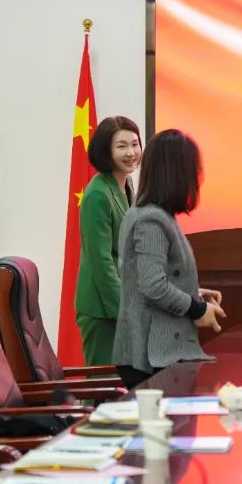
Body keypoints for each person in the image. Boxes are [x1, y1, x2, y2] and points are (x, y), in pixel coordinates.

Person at [112, 130, 225, 389]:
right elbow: (153, 285)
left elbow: (152, 277)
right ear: (178, 173)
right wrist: (197, 309)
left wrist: (194, 292)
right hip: (150, 356)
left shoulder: (153, 214)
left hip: (156, 352)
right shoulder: (151, 220)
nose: (198, 176)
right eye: (193, 169)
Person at [75, 116, 142, 366]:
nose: (131, 152)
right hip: (103, 310)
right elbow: (102, 262)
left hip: (123, 301)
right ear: (105, 151)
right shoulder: (98, 194)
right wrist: (126, 312)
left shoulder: (126, 184)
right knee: (104, 383)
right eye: (121, 146)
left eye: (135, 144)